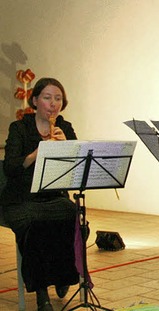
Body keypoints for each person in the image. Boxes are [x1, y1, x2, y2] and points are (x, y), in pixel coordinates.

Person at [1, 78, 79, 311]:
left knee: (70, 213)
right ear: (35, 100)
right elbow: (11, 168)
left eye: (58, 99)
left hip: (54, 196)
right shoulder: (20, 128)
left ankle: (63, 276)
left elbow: (76, 168)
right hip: (21, 198)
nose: (53, 104)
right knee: (37, 225)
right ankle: (42, 293)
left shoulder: (64, 127)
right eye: (47, 98)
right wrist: (38, 152)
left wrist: (68, 148)